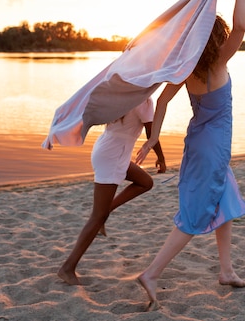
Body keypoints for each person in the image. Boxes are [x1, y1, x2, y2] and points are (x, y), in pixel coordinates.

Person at [136, 0, 245, 310]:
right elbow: (243, 26)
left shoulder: (186, 70)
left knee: (225, 203)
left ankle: (226, 270)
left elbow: (162, 100)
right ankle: (152, 273)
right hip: (212, 146)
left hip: (200, 142)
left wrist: (155, 135)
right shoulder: (218, 62)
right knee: (196, 213)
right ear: (217, 38)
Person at [58, 98, 166, 286]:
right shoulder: (142, 100)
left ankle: (105, 214)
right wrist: (161, 159)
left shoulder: (125, 93)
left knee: (145, 182)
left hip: (108, 148)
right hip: (114, 154)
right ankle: (67, 268)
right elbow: (151, 132)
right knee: (97, 216)